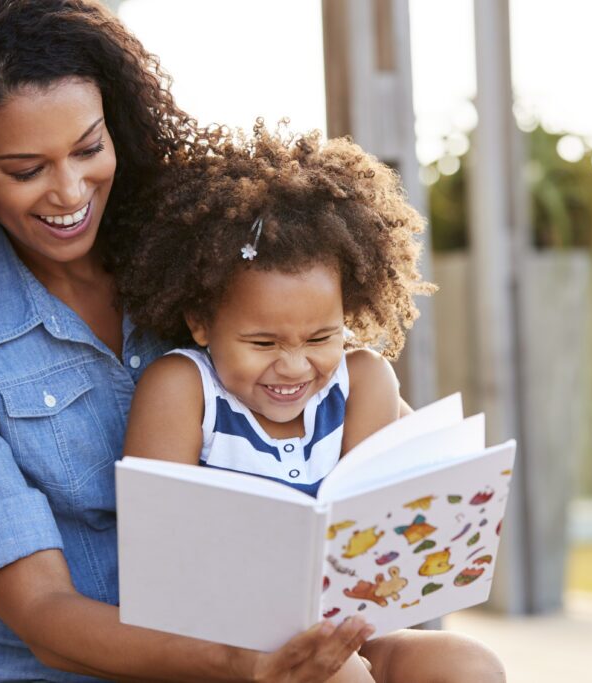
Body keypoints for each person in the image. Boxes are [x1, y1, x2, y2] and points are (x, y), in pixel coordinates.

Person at [0, 1, 386, 679]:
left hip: (242, 639)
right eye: (26, 168)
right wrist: (244, 662)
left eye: (89, 148)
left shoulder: (194, 258)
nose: (70, 190)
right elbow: (44, 614)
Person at [117, 123, 506, 683]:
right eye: (263, 343)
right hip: (224, 655)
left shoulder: (364, 381)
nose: (295, 366)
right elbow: (157, 559)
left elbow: (378, 535)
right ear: (201, 322)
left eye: (321, 338)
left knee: (468, 663)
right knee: (340, 675)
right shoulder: (181, 390)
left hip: (346, 631)